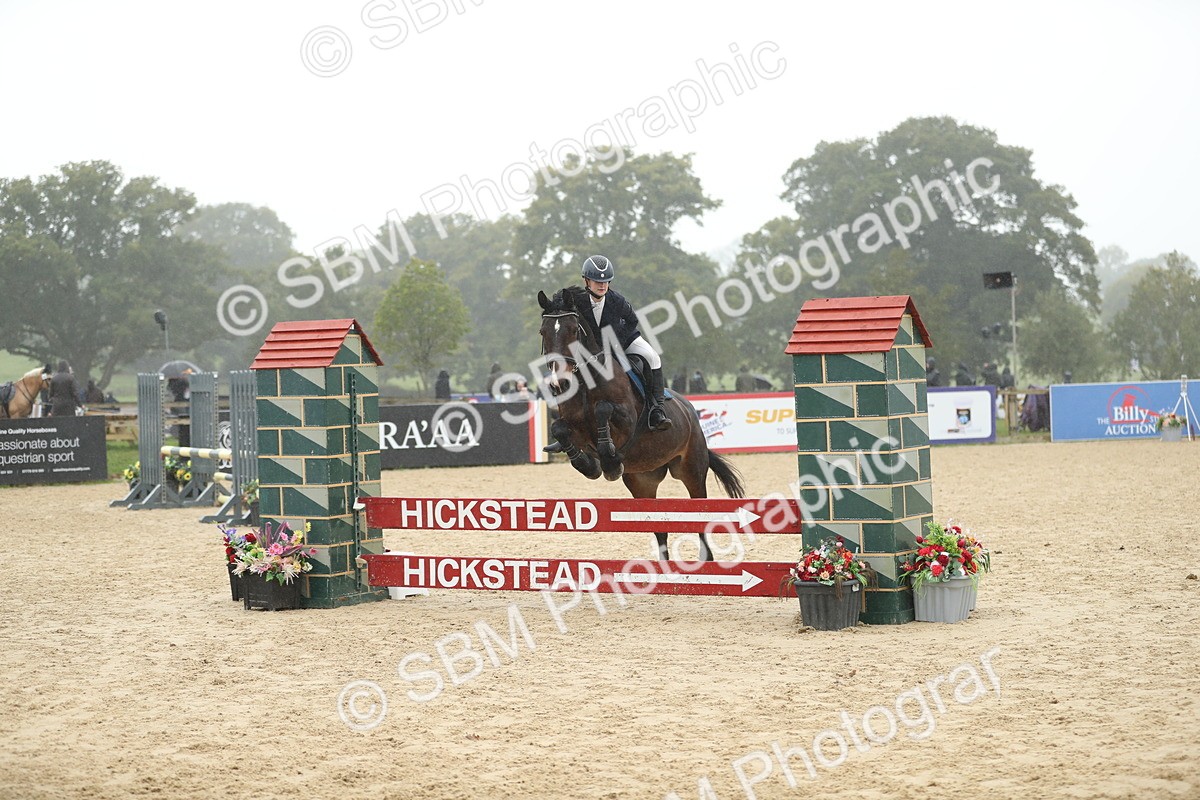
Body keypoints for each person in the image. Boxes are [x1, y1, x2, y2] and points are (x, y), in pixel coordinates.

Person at [543, 254, 671, 455]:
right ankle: (567, 428)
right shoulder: (579, 301)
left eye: (605, 281)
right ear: (586, 280)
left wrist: (613, 340)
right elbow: (561, 303)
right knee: (560, 374)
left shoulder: (617, 300)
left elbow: (632, 321)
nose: (602, 285)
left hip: (624, 339)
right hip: (594, 349)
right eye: (597, 281)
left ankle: (657, 409)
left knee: (653, 356)